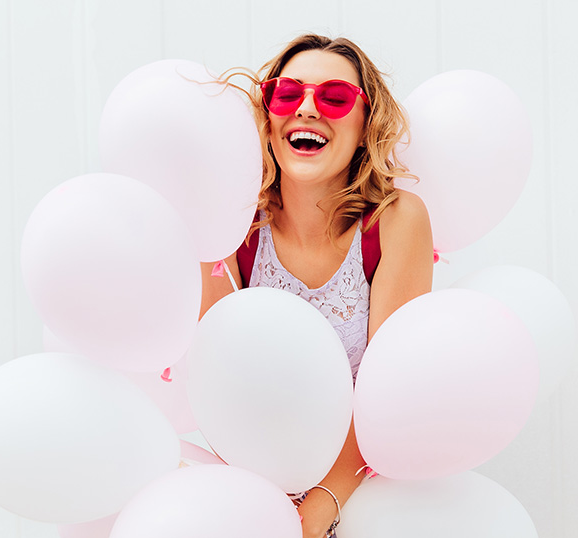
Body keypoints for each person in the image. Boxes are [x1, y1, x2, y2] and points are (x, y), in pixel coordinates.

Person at [200, 34, 433, 538]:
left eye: (334, 97)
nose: (306, 108)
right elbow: (218, 391)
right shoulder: (230, 227)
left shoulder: (394, 223)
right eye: (286, 94)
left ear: (365, 123)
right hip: (254, 496)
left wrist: (317, 512)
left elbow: (388, 398)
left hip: (362, 494)